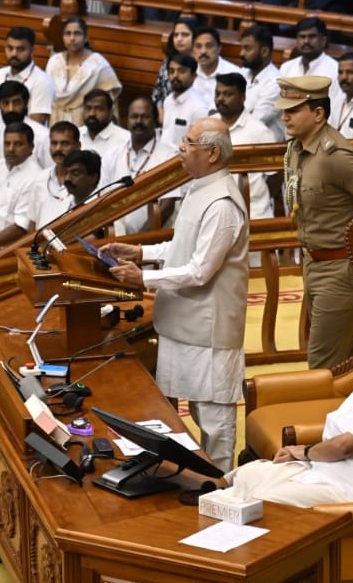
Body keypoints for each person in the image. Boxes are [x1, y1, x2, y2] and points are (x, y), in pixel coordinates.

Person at [101, 118, 249, 472]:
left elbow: (200, 270)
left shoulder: (223, 204)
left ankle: (222, 490)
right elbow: (183, 246)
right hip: (182, 326)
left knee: (214, 425)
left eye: (189, 142)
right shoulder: (200, 187)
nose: (181, 148)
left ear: (212, 153)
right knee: (181, 415)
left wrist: (143, 278)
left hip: (208, 336)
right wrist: (142, 253)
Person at [219, 294, 353, 508]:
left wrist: (304, 452)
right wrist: (306, 455)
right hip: (334, 469)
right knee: (245, 476)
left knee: (259, 503)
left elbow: (345, 447)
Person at [278, 76, 353, 370]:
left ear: (318, 114)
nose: (285, 115)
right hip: (313, 263)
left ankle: (327, 417)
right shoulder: (295, 149)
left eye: (294, 109)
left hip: (340, 271)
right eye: (284, 109)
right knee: (345, 358)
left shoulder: (337, 156)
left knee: (323, 363)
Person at [213, 72, 277, 220]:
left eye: (228, 94)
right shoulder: (208, 125)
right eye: (217, 93)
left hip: (253, 213)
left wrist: (257, 197)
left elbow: (275, 177)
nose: (220, 99)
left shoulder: (260, 131)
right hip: (218, 212)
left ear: (243, 97)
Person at [110, 97, 178, 235]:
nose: (139, 122)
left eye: (145, 117)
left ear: (155, 120)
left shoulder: (170, 156)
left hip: (153, 243)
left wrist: (137, 241)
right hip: (115, 240)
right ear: (127, 120)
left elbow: (166, 207)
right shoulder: (113, 154)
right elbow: (104, 200)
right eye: (134, 117)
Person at [0, 122, 44, 254]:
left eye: (18, 144)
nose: (11, 149)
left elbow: (21, 227)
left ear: (31, 147)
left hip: (10, 251)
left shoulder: (36, 178)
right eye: (7, 144)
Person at [46, 17, 122, 126]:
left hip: (87, 125)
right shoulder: (54, 62)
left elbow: (109, 103)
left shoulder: (99, 65)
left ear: (86, 38)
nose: (72, 38)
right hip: (55, 122)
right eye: (68, 33)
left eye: (77, 34)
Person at [0, 27, 55, 125]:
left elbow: (36, 125)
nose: (14, 54)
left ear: (32, 50)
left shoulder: (43, 81)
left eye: (20, 49)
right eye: (10, 48)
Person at [0, 81, 52, 170]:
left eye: (16, 103)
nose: (11, 109)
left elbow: (50, 173)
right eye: (6, 103)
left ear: (26, 104)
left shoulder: (43, 136)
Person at [29, 121, 82, 229]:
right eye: (54, 143)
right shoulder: (40, 178)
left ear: (78, 146)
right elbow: (33, 223)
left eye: (65, 143)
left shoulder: (86, 181)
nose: (58, 149)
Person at [239, 25, 284, 141]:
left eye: (247, 49)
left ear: (264, 52)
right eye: (242, 48)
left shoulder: (276, 83)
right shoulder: (242, 73)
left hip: (264, 151)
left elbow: (254, 122)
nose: (241, 53)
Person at [279, 18, 341, 101]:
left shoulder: (335, 70)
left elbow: (335, 106)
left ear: (323, 40)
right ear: (296, 40)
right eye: (302, 37)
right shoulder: (287, 67)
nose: (306, 41)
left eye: (312, 36)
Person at [161, 53, 211, 151]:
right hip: (162, 157)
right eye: (171, 71)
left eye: (181, 71)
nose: (175, 75)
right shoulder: (168, 100)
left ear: (194, 76)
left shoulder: (200, 108)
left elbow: (198, 148)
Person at [79, 89, 130, 186]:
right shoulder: (76, 135)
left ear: (111, 112)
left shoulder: (125, 139)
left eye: (99, 109)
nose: (92, 113)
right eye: (88, 108)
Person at [151, 17, 197, 119]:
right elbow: (157, 92)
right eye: (176, 35)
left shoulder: (200, 64)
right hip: (165, 114)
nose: (179, 39)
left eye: (185, 35)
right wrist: (161, 113)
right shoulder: (167, 61)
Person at [191, 25, 239, 107]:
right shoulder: (188, 72)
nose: (203, 51)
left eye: (209, 46)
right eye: (198, 46)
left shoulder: (234, 74)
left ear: (219, 48)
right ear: (192, 51)